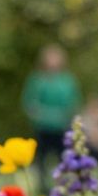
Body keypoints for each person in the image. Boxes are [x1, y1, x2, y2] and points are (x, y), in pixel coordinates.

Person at [21, 45, 80, 188]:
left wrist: (68, 117)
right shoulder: (38, 80)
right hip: (43, 126)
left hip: (61, 126)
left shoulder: (67, 81)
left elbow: (73, 102)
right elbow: (30, 102)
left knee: (63, 157)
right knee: (42, 158)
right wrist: (40, 114)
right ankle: (42, 186)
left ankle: (64, 185)